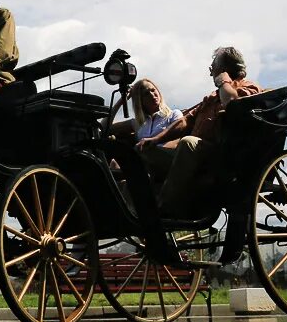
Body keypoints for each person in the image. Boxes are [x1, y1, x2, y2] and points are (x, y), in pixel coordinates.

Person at [137, 47, 261, 215]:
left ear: (225, 68)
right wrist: (156, 140)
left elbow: (232, 103)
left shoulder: (248, 87)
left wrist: (224, 82)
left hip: (221, 157)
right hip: (193, 155)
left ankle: (165, 207)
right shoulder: (212, 96)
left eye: (214, 66)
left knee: (188, 143)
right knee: (145, 152)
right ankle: (139, 208)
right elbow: (186, 120)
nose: (211, 72)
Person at [109, 78, 182, 144]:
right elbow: (104, 128)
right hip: (143, 157)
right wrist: (121, 101)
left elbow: (177, 141)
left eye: (153, 90)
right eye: (146, 93)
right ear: (139, 101)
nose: (152, 95)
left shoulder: (174, 114)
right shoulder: (137, 123)